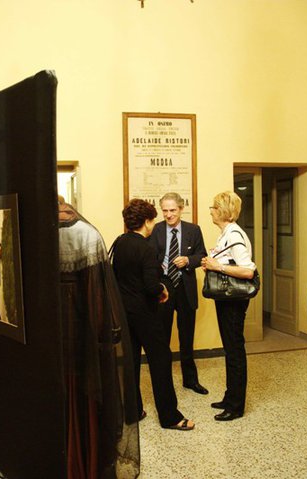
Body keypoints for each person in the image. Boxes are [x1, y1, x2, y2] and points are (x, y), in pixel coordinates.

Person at [58, 199, 140, 478]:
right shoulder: (88, 234)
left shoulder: (36, 234)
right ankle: (87, 461)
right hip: (84, 338)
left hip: (50, 338)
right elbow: (98, 300)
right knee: (85, 398)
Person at [112, 199, 194, 431]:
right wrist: (162, 289)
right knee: (161, 361)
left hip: (125, 313)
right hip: (146, 314)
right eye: (152, 220)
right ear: (147, 221)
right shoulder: (145, 248)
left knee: (131, 362)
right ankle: (170, 417)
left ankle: (133, 410)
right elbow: (150, 285)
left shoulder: (119, 243)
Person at [201, 191, 256, 421]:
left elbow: (248, 270)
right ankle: (229, 396)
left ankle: (235, 405)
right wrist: (212, 264)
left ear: (222, 210)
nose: (211, 211)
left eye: (213, 207)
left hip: (234, 301)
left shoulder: (234, 234)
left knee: (234, 350)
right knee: (230, 349)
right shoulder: (226, 234)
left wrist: (218, 267)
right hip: (227, 299)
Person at [149, 192, 208, 394]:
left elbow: (202, 256)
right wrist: (159, 265)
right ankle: (164, 382)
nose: (168, 215)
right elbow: (148, 258)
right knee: (162, 337)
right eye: (164, 211)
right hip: (164, 287)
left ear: (181, 209)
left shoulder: (193, 230)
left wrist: (188, 261)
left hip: (185, 287)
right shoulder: (156, 230)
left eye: (172, 210)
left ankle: (190, 380)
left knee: (186, 337)